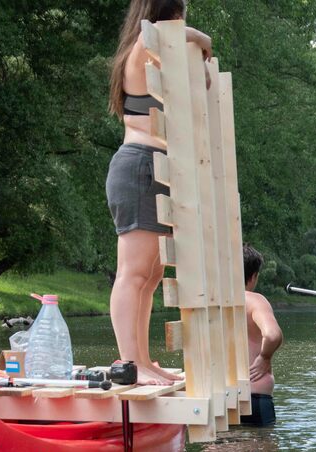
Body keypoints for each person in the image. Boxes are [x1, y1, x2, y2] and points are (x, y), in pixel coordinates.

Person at [106, 0, 212, 385]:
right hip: (140, 166)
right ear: (172, 13)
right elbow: (186, 42)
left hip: (153, 168)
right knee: (133, 274)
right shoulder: (148, 42)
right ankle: (129, 364)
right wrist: (203, 38)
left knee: (150, 276)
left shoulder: (153, 42)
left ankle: (143, 361)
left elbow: (201, 80)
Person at [241, 245, 283, 426]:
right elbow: (272, 335)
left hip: (217, 401)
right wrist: (265, 357)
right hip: (254, 397)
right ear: (254, 275)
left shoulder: (210, 303)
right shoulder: (254, 300)